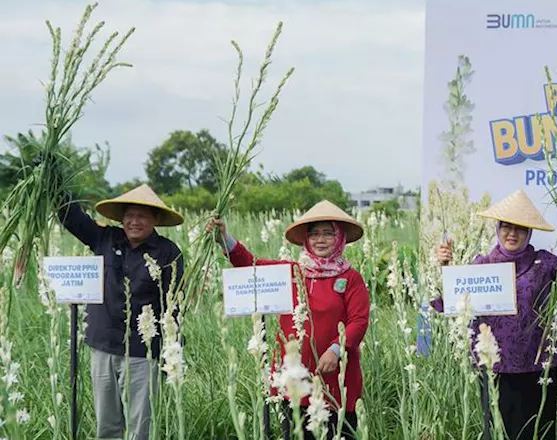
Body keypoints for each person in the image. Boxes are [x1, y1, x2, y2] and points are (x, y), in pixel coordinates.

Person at [431, 189, 557, 440]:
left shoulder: (544, 262)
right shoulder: (481, 265)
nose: (512, 233)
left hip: (538, 365)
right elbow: (450, 303)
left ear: (529, 232)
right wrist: (444, 266)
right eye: (506, 226)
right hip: (494, 364)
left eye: (519, 228)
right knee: (497, 431)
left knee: (538, 431)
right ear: (498, 228)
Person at [207, 200, 370, 440]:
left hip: (335, 374)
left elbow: (358, 321)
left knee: (338, 431)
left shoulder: (351, 277)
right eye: (314, 234)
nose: (320, 240)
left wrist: (336, 350)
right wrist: (224, 238)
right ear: (306, 240)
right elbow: (250, 264)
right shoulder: (291, 272)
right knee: (296, 431)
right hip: (294, 373)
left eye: (328, 233)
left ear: (340, 238)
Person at [55, 183, 185, 440]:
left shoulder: (168, 252)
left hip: (143, 353)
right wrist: (55, 185)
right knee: (107, 425)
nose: (134, 221)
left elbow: (174, 304)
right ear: (121, 218)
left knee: (141, 426)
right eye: (129, 215)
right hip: (103, 346)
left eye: (142, 216)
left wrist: (173, 350)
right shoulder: (105, 238)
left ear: (155, 219)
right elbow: (73, 218)